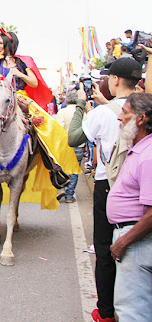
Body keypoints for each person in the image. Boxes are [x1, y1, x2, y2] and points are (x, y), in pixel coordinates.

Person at [0, 28, 81, 216]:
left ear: (9, 45)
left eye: (0, 43)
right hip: (1, 100)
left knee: (45, 126)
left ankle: (53, 167)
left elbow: (34, 83)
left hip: (20, 98)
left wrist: (19, 74)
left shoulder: (23, 62)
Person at [67, 57, 141, 322]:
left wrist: (79, 105)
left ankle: (107, 312)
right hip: (141, 186)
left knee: (105, 248)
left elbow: (73, 138)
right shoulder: (146, 107)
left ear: (115, 80)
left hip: (109, 186)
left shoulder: (102, 113)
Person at [106, 93, 152, 322]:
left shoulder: (148, 155)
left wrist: (124, 241)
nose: (120, 118)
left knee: (132, 311)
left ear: (141, 119)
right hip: (134, 237)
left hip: (136, 240)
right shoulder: (140, 148)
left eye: (125, 112)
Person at [55, 90, 84, 203]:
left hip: (64, 145)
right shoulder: (82, 113)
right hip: (78, 145)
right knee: (74, 171)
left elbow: (58, 128)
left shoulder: (62, 112)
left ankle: (61, 188)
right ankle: (69, 196)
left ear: (66, 101)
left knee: (62, 168)